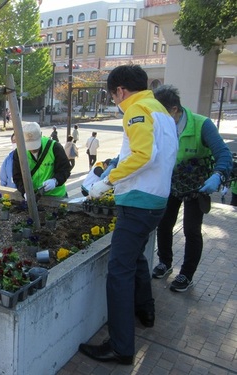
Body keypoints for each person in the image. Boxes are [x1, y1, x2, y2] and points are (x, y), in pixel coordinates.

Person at [78, 65, 178, 365]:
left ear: (121, 90)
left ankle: (121, 346)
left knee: (118, 270)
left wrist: (106, 182)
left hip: (138, 202)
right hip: (155, 200)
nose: (115, 102)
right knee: (135, 258)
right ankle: (145, 310)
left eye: (113, 96)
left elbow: (143, 154)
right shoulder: (159, 109)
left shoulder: (136, 110)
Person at [151, 85, 233, 292]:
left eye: (163, 114)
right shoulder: (159, 126)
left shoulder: (201, 124)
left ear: (175, 109)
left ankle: (186, 274)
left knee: (191, 229)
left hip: (197, 185)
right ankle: (165, 262)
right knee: (164, 224)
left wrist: (218, 175)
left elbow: (223, 153)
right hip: (170, 182)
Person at [12, 122, 70, 198]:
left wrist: (55, 181)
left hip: (57, 195)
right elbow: (17, 176)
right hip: (34, 196)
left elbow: (65, 169)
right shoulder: (19, 152)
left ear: (41, 135)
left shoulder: (55, 147)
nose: (33, 149)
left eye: (35, 145)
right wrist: (24, 191)